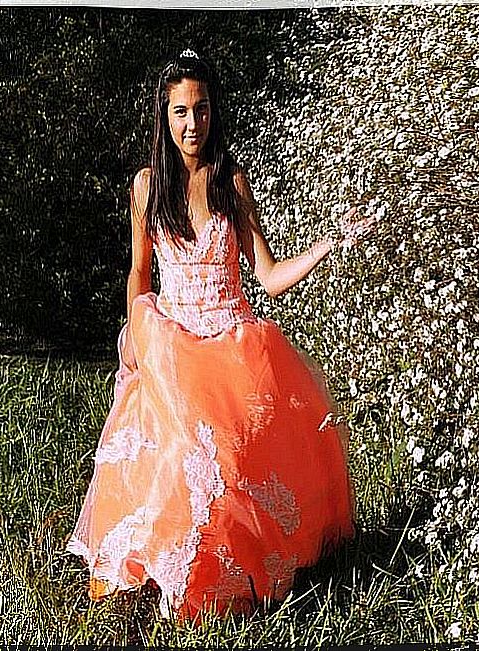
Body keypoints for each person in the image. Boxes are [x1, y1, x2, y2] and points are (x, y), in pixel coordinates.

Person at [67, 49, 375, 623]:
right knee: (178, 455)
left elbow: (266, 277)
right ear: (164, 116)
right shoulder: (145, 187)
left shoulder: (232, 181)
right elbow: (139, 269)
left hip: (231, 341)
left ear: (214, 113)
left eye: (202, 109)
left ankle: (217, 580)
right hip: (171, 338)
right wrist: (138, 327)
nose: (192, 124)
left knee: (230, 464)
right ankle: (158, 570)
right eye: (180, 111)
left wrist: (327, 246)